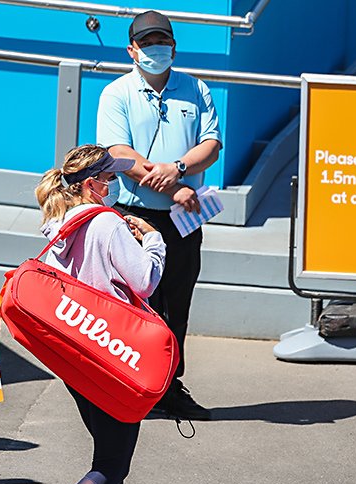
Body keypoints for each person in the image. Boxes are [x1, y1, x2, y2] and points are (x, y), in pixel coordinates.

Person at [16, 144, 165, 484]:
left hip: (79, 353)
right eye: (110, 178)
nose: (116, 185)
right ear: (92, 185)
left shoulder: (59, 222)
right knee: (113, 462)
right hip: (114, 354)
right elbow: (145, 281)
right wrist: (153, 240)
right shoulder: (105, 222)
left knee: (107, 453)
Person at [96, 10, 222, 421]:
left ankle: (169, 387)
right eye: (147, 44)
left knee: (176, 303)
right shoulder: (117, 93)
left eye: (161, 43)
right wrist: (175, 185)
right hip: (135, 216)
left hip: (184, 219)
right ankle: (129, 384)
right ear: (132, 49)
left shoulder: (196, 89)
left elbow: (212, 145)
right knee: (134, 304)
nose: (156, 50)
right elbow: (118, 154)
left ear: (173, 47)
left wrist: (180, 169)